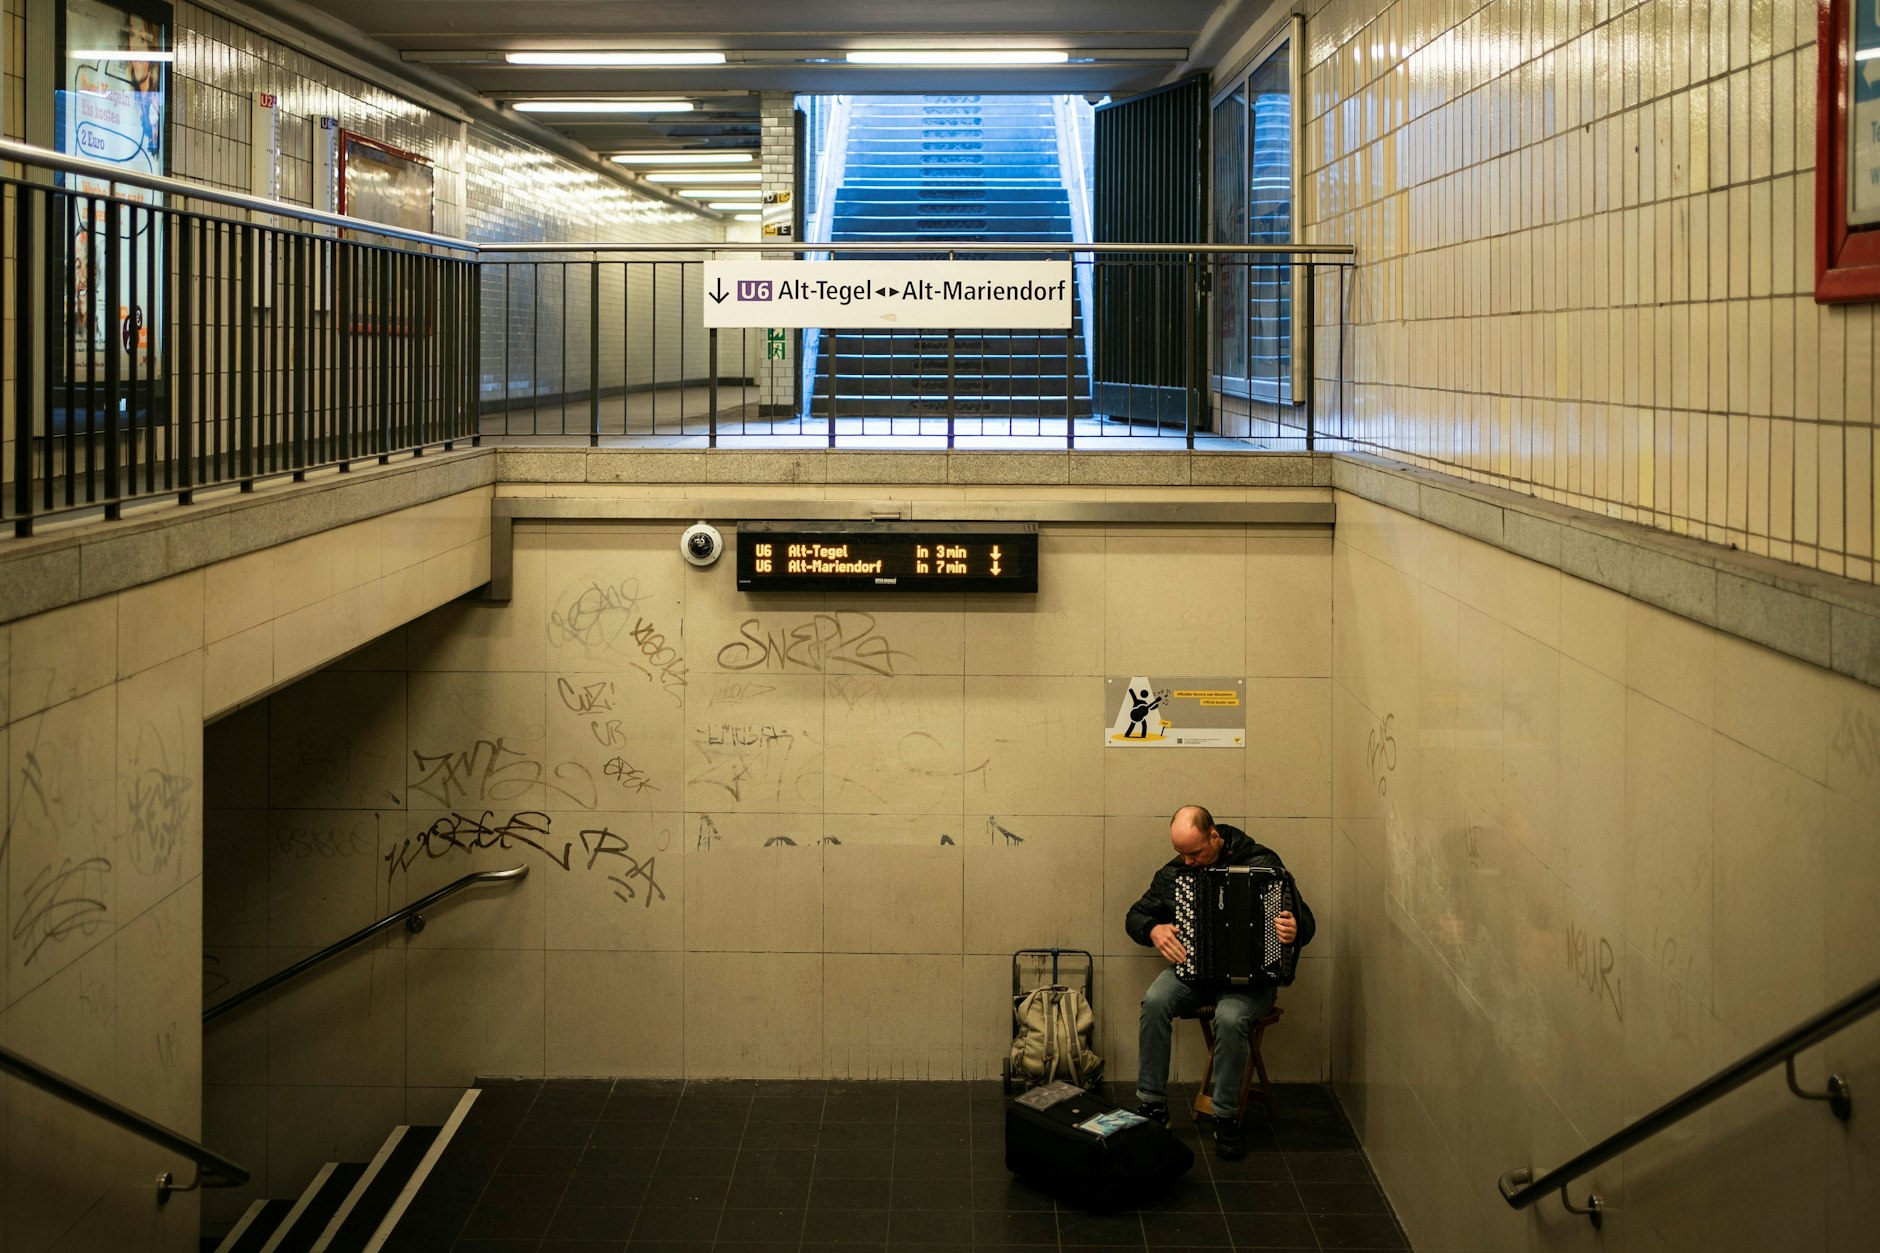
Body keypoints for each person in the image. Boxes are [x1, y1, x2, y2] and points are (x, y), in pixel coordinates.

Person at [1125, 804, 1315, 1159]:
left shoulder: (1263, 862)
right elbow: (1135, 915)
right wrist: (1153, 929)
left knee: (1229, 1019)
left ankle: (1225, 1117)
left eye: (1194, 852)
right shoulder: (1175, 873)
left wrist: (1293, 930)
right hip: (1194, 973)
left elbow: (1306, 922)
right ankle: (1152, 1106)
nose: (1189, 862)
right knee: (1154, 1001)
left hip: (1252, 982)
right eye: (1181, 853)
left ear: (1214, 836)